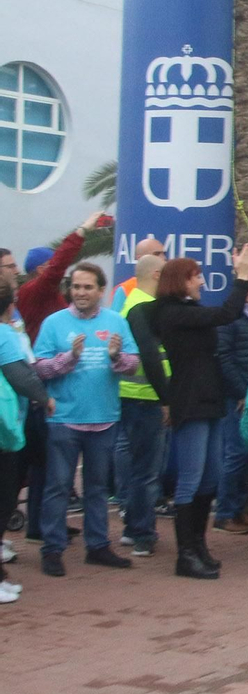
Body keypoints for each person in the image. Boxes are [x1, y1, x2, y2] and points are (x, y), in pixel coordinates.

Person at [151, 248, 248, 579]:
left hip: (210, 400)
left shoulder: (189, 310)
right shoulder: (170, 313)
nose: (201, 282)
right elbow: (227, 313)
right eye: (196, 276)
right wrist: (242, 275)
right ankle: (185, 555)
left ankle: (198, 545)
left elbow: (220, 316)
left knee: (211, 476)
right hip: (191, 401)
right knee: (191, 478)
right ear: (181, 280)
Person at [34, 262, 143, 577]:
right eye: (76, 287)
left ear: (101, 290)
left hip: (104, 419)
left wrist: (116, 356)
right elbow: (39, 368)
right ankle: (52, 549)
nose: (80, 293)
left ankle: (97, 546)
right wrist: (69, 358)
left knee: (97, 488)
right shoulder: (54, 323)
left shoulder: (116, 322)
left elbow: (133, 365)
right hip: (63, 419)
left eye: (87, 287)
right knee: (58, 487)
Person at [111, 253, 168, 557]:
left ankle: (133, 527)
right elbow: (150, 356)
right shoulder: (142, 306)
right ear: (156, 275)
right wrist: (165, 397)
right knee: (146, 471)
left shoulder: (133, 303)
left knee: (139, 467)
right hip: (145, 397)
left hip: (135, 395)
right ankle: (141, 532)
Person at [0, 282, 48, 598]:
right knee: (4, 499)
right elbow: (20, 375)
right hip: (4, 432)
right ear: (10, 305)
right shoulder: (5, 334)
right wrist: (45, 398)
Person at [213, 279, 248, 536]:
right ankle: (224, 514)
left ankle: (239, 509)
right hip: (236, 397)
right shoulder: (230, 316)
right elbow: (223, 357)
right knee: (235, 454)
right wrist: (241, 393)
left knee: (247, 454)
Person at [16, 212, 98, 341]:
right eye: (52, 263)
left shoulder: (31, 291)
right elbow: (59, 264)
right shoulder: (37, 289)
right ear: (41, 270)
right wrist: (82, 230)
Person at [111, 237, 167, 314]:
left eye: (164, 254)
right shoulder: (125, 289)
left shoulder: (168, 287)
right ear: (140, 258)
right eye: (157, 254)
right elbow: (116, 318)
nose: (163, 258)